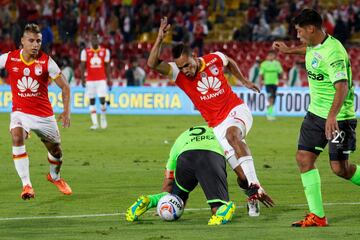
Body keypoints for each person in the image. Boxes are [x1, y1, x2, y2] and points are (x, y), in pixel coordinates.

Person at [147, 17, 274, 208]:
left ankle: (255, 185)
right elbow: (152, 64)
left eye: (187, 65)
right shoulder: (178, 73)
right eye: (181, 67)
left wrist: (243, 81)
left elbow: (229, 61)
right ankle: (251, 193)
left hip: (236, 110)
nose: (185, 70)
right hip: (217, 126)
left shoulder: (213, 59)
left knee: (233, 135)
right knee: (241, 176)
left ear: (194, 56)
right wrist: (159, 38)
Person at [273, 9, 360, 227]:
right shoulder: (315, 44)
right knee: (304, 158)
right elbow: (309, 49)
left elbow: (341, 86)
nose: (298, 35)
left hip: (339, 116)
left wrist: (332, 117)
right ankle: (318, 216)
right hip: (315, 114)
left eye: (300, 31)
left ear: (311, 28)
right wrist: (289, 50)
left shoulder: (334, 53)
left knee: (340, 169)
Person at [126, 126, 271, 225]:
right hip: (210, 158)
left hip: (185, 158)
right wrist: (249, 187)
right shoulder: (221, 132)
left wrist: (164, 201)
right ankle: (224, 208)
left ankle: (150, 200)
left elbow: (168, 181)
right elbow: (238, 168)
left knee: (176, 198)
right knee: (217, 210)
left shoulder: (183, 135)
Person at [0, 23, 72, 200]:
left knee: (56, 152)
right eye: (31, 40)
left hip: (44, 116)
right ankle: (27, 185)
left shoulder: (46, 61)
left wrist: (66, 112)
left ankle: (54, 177)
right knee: (17, 137)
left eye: (38, 41)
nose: (35, 44)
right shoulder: (10, 58)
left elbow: (65, 87)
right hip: (20, 113)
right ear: (22, 42)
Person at [80, 32, 111, 130]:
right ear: (90, 41)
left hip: (101, 79)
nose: (95, 41)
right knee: (92, 101)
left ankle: (102, 117)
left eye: (96, 39)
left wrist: (109, 78)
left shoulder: (105, 51)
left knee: (102, 100)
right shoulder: (85, 52)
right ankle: (95, 123)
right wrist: (82, 78)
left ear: (99, 40)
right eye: (93, 39)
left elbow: (107, 66)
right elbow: (82, 67)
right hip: (90, 80)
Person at [260, 50, 283, 120]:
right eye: (270, 55)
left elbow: (280, 72)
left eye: (272, 55)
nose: (271, 57)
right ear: (268, 56)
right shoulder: (263, 64)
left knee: (273, 98)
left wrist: (280, 78)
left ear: (274, 56)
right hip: (267, 83)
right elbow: (261, 74)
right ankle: (269, 114)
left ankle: (270, 111)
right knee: (271, 98)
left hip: (275, 83)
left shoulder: (277, 63)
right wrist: (261, 81)